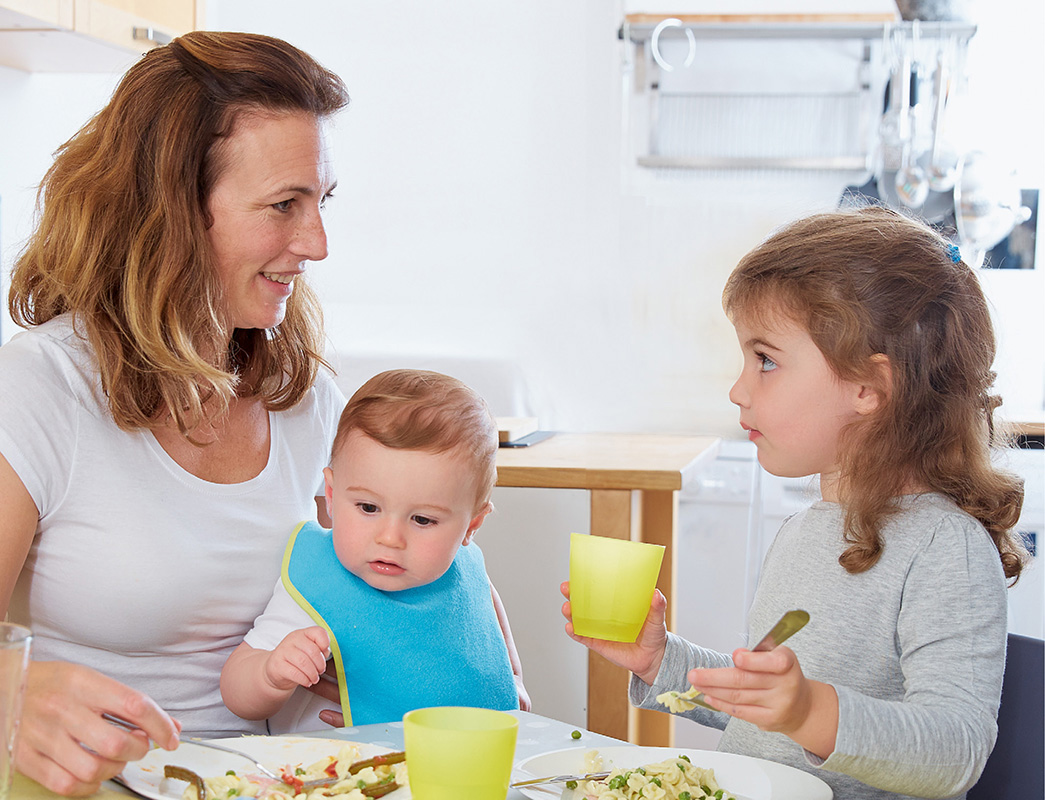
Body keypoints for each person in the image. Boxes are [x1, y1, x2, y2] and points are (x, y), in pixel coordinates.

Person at [561, 206, 1028, 799]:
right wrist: (661, 661)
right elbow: (767, 716)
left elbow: (954, 750)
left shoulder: (945, 549)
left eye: (766, 360)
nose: (738, 388)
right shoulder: (806, 531)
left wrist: (812, 711)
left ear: (868, 387)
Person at [0, 31, 350, 796]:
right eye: (283, 205)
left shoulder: (305, 397)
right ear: (171, 213)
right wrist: (13, 695)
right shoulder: (40, 388)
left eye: (321, 201)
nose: (316, 243)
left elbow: (349, 583)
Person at [220, 368, 530, 732]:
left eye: (422, 520)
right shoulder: (316, 583)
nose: (390, 538)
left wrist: (513, 689)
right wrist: (272, 674)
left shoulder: (466, 579)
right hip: (331, 777)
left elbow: (499, 679)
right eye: (368, 508)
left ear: (471, 526)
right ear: (332, 498)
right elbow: (236, 691)